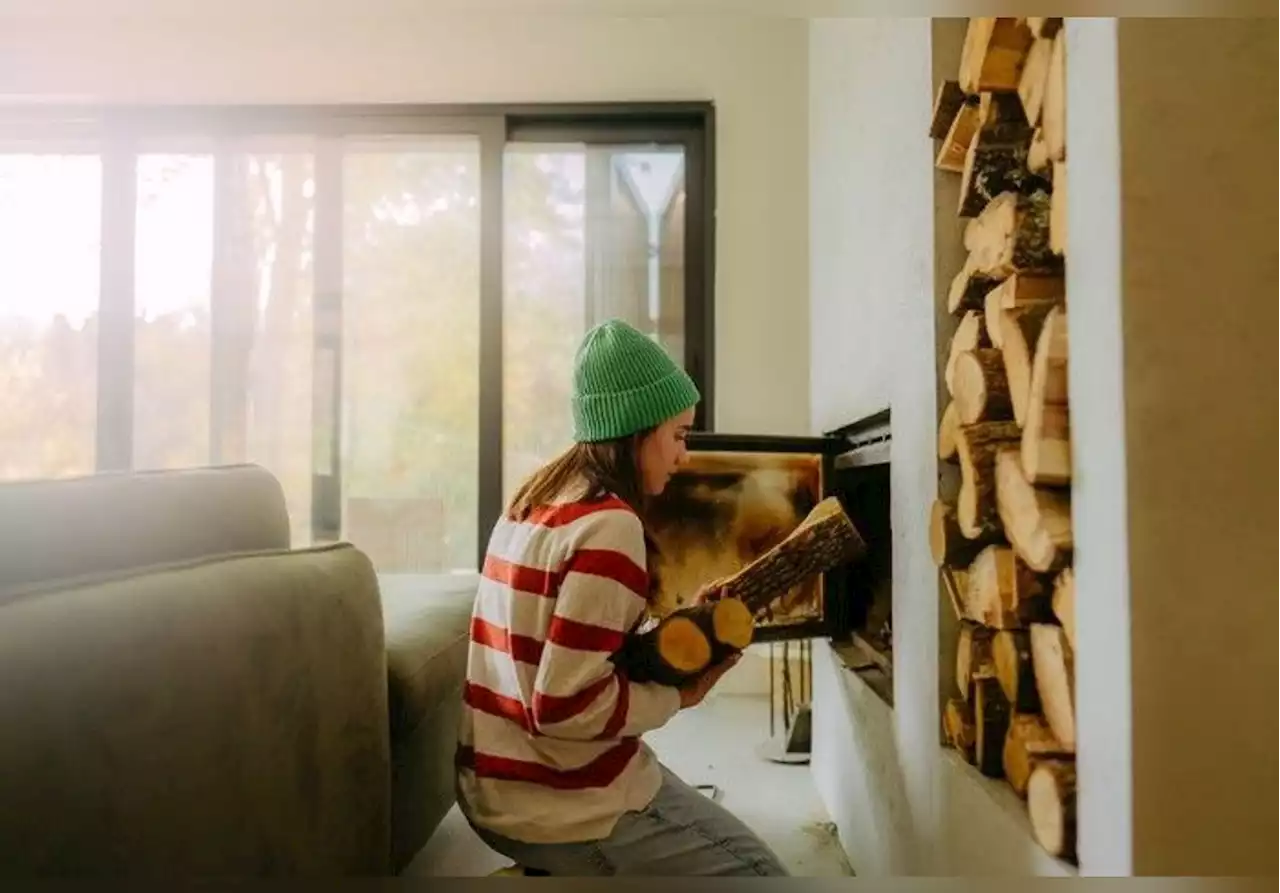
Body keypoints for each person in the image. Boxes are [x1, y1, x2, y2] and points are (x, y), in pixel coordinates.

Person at [455, 319, 789, 877]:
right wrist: (679, 699)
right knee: (764, 876)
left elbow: (562, 651)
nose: (684, 456)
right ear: (637, 432)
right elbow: (566, 706)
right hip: (555, 803)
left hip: (491, 786)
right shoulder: (610, 527)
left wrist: (678, 629)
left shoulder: (534, 501)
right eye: (679, 436)